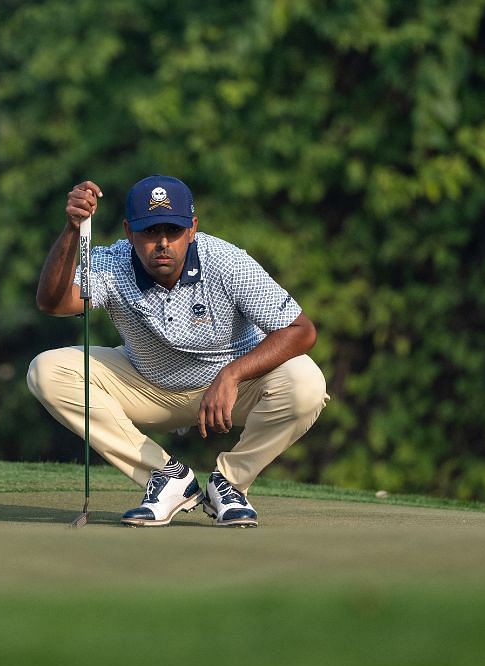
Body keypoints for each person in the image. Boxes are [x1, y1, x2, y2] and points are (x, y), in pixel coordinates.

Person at [27, 176, 327, 528]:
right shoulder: (111, 263)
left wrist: (233, 374)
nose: (163, 243)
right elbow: (52, 303)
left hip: (234, 391)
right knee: (45, 371)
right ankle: (167, 477)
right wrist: (71, 231)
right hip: (147, 385)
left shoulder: (225, 261)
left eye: (173, 230)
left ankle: (229, 484)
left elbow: (301, 330)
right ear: (129, 231)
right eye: (150, 232)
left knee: (306, 381)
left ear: (192, 229)